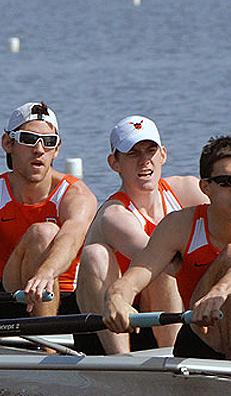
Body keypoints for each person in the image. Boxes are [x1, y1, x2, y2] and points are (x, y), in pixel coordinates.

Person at [103, 135, 231, 358]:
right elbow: (135, 277)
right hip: (199, 341)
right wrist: (115, 297)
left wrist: (220, 292)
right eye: (225, 181)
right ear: (205, 187)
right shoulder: (179, 226)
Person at [0, 101, 97, 317]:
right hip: (11, 298)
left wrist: (46, 273)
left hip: (66, 299)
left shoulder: (77, 195)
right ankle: (45, 342)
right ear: (8, 143)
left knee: (45, 233)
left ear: (57, 149)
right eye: (28, 140)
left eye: (48, 142)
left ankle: (46, 340)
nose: (39, 150)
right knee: (42, 233)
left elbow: (71, 239)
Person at [77, 115, 208, 353]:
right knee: (149, 259)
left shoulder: (188, 190)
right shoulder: (114, 214)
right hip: (117, 325)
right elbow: (163, 262)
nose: (144, 161)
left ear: (163, 155)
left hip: (166, 315)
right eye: (132, 153)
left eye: (150, 151)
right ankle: (129, 361)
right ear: (114, 163)